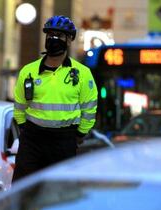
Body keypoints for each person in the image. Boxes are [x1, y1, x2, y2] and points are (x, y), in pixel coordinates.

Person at [12, 15, 98, 182]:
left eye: (59, 36)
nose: (53, 39)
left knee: (60, 193)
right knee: (22, 190)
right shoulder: (28, 71)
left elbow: (89, 109)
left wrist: (80, 134)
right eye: (50, 35)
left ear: (69, 41)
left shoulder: (82, 74)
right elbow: (19, 106)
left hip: (64, 141)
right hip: (32, 140)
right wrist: (25, 130)